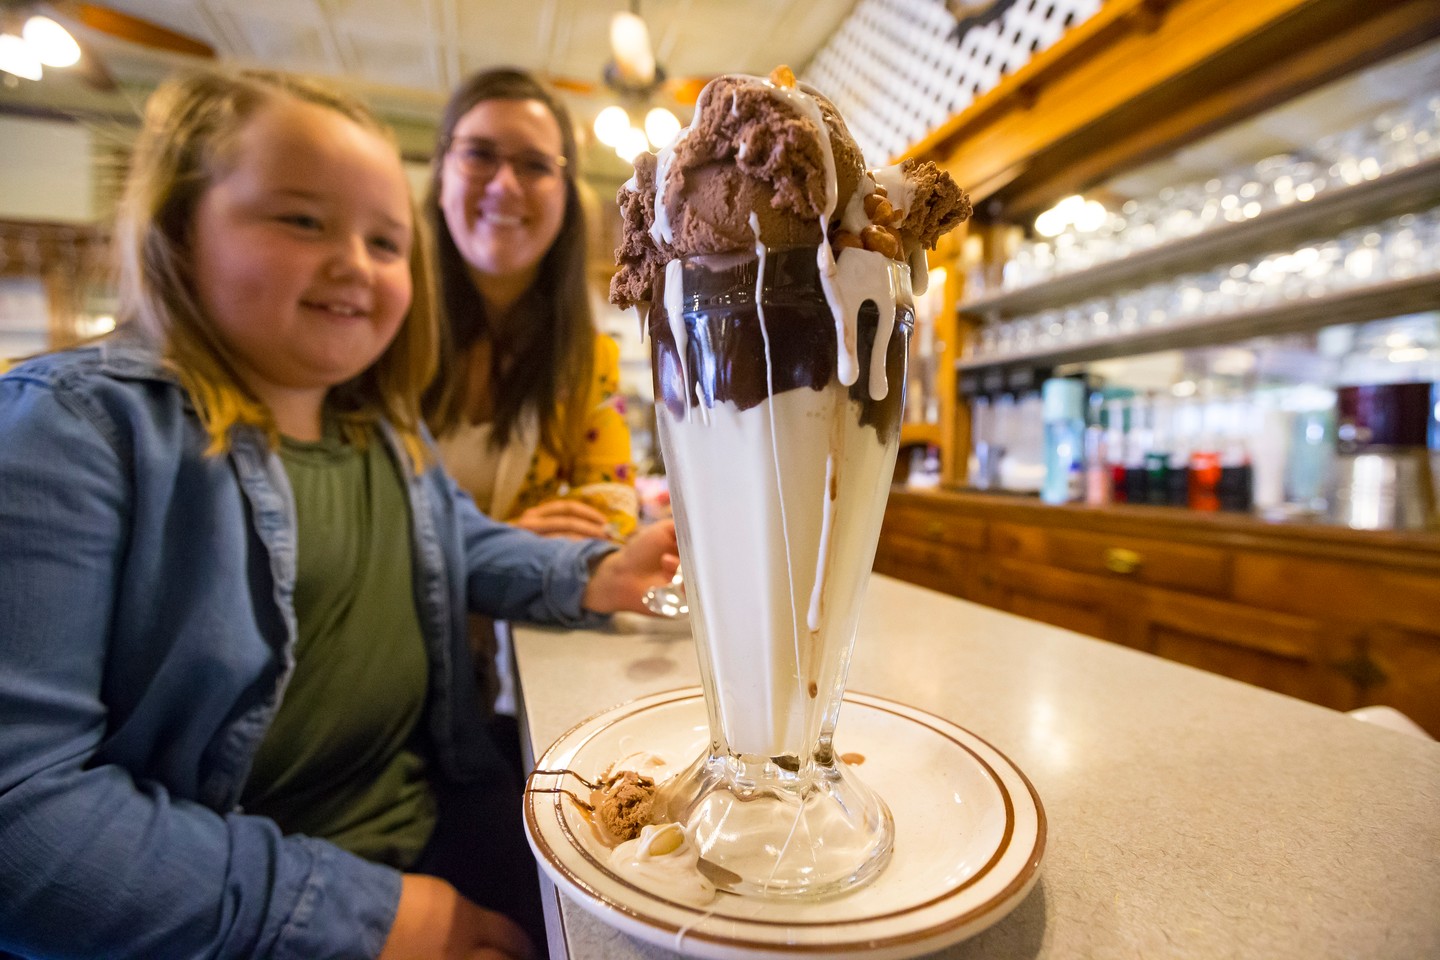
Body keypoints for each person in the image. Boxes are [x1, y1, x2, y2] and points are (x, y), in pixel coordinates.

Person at [0, 69, 677, 960]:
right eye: (302, 220)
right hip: (234, 899)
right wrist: (389, 919)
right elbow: (27, 827)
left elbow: (451, 542)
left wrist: (589, 574)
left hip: (426, 813)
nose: (356, 263)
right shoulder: (74, 428)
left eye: (387, 242)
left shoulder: (383, 433)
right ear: (178, 227)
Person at [424, 68, 638, 544]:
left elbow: (613, 513)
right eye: (479, 154)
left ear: (566, 198)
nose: (504, 185)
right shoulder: (382, 325)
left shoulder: (588, 358)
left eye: (536, 165)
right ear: (441, 176)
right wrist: (504, 544)